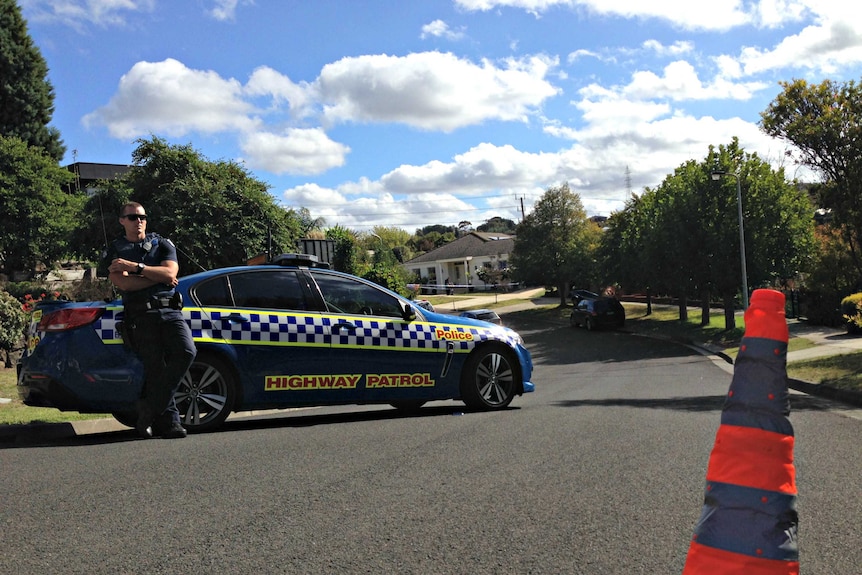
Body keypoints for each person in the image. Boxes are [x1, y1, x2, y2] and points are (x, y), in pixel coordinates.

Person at [104, 202, 196, 439]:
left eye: (143, 217)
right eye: (133, 217)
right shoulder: (116, 249)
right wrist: (158, 277)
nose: (139, 221)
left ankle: (148, 409)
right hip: (140, 315)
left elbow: (171, 274)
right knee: (155, 368)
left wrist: (136, 267)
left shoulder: (162, 244)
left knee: (187, 352)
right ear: (122, 220)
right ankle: (172, 423)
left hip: (170, 312)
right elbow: (124, 284)